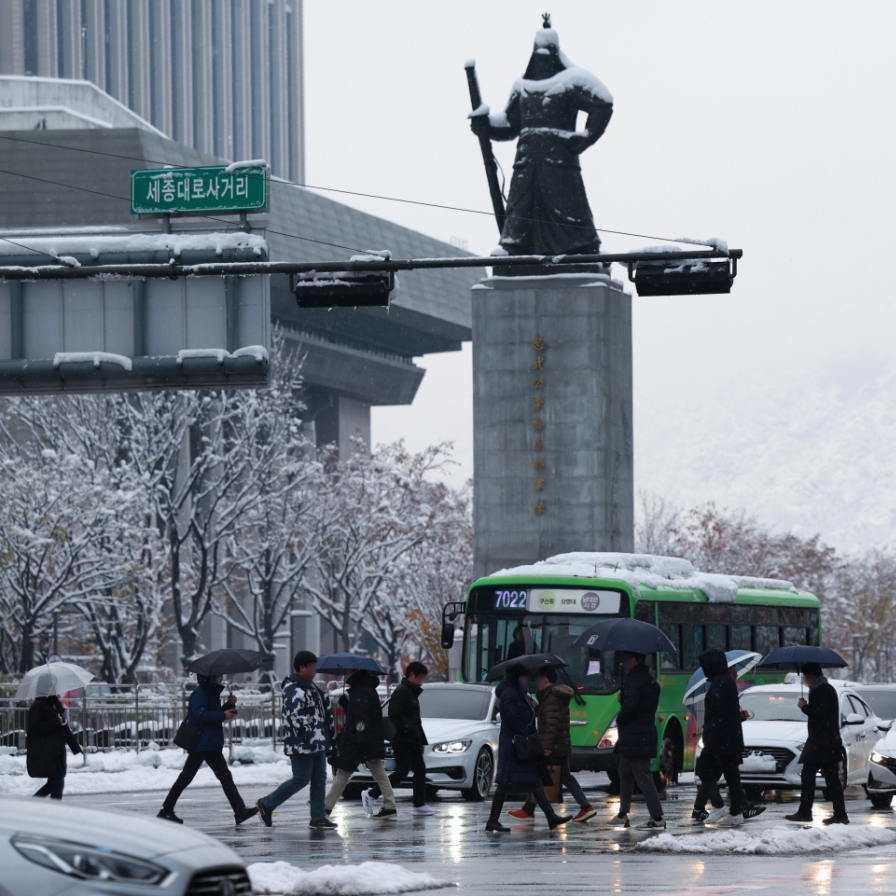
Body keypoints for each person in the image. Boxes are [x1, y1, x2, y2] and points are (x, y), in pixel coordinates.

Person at [469, 16, 613, 258]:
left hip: (559, 161)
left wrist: (587, 135)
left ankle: (579, 250)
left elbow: (604, 102)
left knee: (567, 208)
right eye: (540, 55)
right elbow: (510, 124)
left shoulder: (571, 80)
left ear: (556, 54)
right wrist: (486, 125)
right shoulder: (522, 86)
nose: (543, 61)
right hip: (526, 162)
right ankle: (516, 247)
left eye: (548, 55)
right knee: (521, 211)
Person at [158, 675, 257, 825]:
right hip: (201, 742)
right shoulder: (200, 693)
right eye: (218, 676)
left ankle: (240, 811)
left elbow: (213, 713)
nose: (221, 678)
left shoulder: (211, 692)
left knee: (224, 777)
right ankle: (166, 810)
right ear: (210, 676)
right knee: (187, 777)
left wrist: (229, 705)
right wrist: (223, 715)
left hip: (210, 743)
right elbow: (201, 715)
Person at [485, 663, 572, 833]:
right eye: (524, 677)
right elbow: (513, 719)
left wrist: (532, 705)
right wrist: (526, 732)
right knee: (507, 783)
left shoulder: (519, 693)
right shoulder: (510, 694)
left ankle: (550, 817)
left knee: (533, 780)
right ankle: (493, 821)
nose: (526, 681)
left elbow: (525, 715)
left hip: (521, 744)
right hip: (516, 746)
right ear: (516, 678)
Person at [257, 651, 336, 830]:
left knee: (319, 779)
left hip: (318, 743)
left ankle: (318, 816)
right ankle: (267, 803)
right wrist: (309, 736)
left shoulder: (312, 688)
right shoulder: (294, 689)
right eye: (312, 665)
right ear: (302, 667)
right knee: (300, 779)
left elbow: (321, 714)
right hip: (302, 744)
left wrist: (326, 737)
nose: (315, 669)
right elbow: (294, 717)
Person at [509, 667, 596, 822]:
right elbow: (548, 717)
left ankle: (529, 810)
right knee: (564, 777)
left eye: (539, 678)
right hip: (559, 746)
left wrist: (547, 746)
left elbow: (553, 724)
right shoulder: (550, 697)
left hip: (555, 747)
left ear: (546, 679)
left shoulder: (551, 697)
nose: (536, 682)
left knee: (538, 774)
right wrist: (536, 707)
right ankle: (585, 807)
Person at [325, 667, 397, 820]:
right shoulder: (366, 689)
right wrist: (347, 705)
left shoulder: (359, 692)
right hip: (368, 740)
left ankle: (326, 807)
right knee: (378, 774)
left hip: (360, 741)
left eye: (348, 671)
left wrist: (361, 740)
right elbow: (363, 713)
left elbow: (361, 720)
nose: (345, 675)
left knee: (343, 773)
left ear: (354, 673)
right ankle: (390, 805)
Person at [364, 661, 435, 817]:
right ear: (411, 675)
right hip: (404, 739)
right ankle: (372, 794)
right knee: (403, 772)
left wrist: (415, 733)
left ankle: (419, 804)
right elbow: (395, 714)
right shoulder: (402, 691)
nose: (422, 680)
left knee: (419, 770)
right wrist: (408, 729)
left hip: (413, 739)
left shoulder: (411, 691)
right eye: (421, 676)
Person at [691, 648, 750, 827]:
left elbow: (718, 715)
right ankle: (736, 812)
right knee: (732, 774)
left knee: (703, 770)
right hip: (731, 738)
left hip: (720, 739)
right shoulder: (728, 682)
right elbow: (728, 713)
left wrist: (712, 740)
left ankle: (718, 805)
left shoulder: (718, 683)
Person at [785, 662, 848, 825]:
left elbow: (819, 713)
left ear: (812, 677)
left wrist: (804, 707)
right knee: (831, 779)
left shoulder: (822, 691)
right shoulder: (823, 690)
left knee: (811, 776)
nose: (805, 681)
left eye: (806, 678)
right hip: (826, 742)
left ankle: (806, 812)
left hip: (822, 742)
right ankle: (840, 815)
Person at [608, 652, 665, 830]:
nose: (623, 663)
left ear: (634, 660)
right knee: (624, 771)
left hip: (635, 735)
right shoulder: (650, 681)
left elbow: (631, 708)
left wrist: (621, 713)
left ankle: (657, 818)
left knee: (643, 777)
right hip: (641, 734)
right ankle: (623, 814)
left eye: (625, 660)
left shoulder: (633, 681)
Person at [26, 674, 82, 800]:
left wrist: (75, 747)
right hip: (46, 751)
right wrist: (56, 722)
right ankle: (52, 809)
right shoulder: (38, 705)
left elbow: (63, 727)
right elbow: (35, 727)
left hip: (56, 751)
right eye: (52, 685)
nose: (55, 687)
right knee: (58, 781)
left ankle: (33, 803)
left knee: (55, 782)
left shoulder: (54, 704)